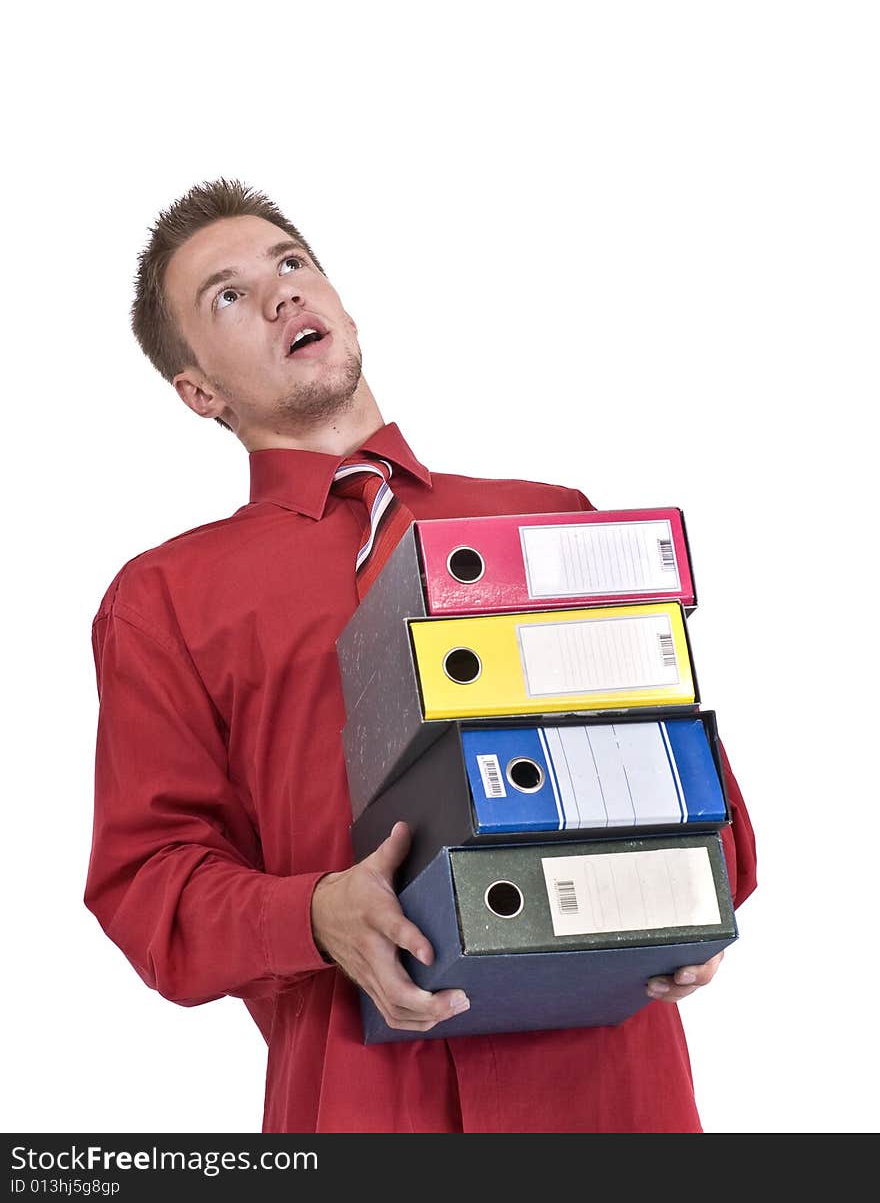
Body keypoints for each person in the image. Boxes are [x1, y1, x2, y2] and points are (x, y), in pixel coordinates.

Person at [85, 178, 757, 1134]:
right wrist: (314, 913)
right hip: (362, 1100)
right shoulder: (162, 600)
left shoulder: (553, 519)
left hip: (613, 1091)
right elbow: (148, 881)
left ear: (338, 300)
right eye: (227, 295)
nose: (282, 293)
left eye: (292, 263)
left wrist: (691, 888)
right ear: (199, 392)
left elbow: (699, 790)